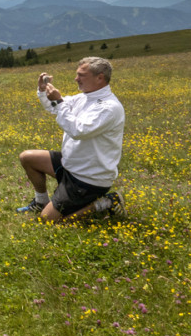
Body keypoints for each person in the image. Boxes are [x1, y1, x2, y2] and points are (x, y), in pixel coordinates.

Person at [16, 56, 126, 221]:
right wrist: (43, 91)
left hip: (88, 179)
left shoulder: (109, 108)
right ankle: (40, 201)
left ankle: (106, 202)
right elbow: (55, 108)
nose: (76, 79)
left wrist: (60, 102)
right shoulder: (84, 97)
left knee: (48, 220)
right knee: (28, 157)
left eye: (81, 75)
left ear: (100, 78)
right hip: (71, 165)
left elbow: (78, 130)